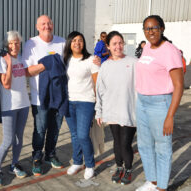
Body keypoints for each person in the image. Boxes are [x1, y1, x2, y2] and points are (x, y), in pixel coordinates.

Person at [135, 15, 183, 191]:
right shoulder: (147, 47)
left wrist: (170, 115)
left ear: (162, 28)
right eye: (147, 29)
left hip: (160, 104)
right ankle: (152, 181)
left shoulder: (170, 51)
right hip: (142, 101)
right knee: (144, 144)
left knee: (162, 147)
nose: (150, 32)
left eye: (154, 27)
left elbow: (179, 85)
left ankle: (162, 187)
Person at [22, 15, 65, 176]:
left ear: (53, 25)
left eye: (49, 23)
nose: (47, 26)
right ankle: (37, 156)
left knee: (55, 128)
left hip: (59, 96)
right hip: (40, 97)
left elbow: (71, 63)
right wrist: (45, 64)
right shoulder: (31, 44)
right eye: (43, 24)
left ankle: (50, 154)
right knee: (40, 129)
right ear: (37, 26)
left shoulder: (62, 42)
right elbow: (26, 71)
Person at [95, 31, 137, 185]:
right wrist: (99, 111)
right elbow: (100, 90)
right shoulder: (105, 66)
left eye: (120, 43)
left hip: (129, 111)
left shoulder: (133, 62)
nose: (118, 46)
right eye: (114, 44)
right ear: (108, 46)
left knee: (126, 143)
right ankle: (119, 168)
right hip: (111, 110)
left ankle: (129, 169)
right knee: (117, 142)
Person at [0, 31, 30, 187]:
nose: (14, 46)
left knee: (19, 138)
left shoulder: (21, 58)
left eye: (17, 42)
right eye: (11, 43)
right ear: (6, 45)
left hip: (24, 104)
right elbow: (6, 84)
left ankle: (14, 165)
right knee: (8, 140)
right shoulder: (1, 60)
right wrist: (9, 65)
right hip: (9, 106)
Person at [63, 31, 100, 180]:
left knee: (83, 135)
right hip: (70, 102)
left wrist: (99, 105)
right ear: (69, 43)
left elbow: (98, 83)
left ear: (84, 43)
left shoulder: (91, 60)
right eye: (74, 40)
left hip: (86, 102)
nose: (77, 43)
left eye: (80, 40)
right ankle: (77, 162)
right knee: (74, 134)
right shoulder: (65, 59)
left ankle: (90, 165)